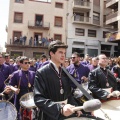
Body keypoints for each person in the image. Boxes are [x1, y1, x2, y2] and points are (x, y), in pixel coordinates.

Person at [34, 40, 82, 120]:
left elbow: (68, 94)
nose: (63, 55)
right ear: (51, 53)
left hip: (66, 114)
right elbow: (38, 99)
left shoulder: (65, 71)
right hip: (49, 115)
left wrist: (75, 107)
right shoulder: (41, 72)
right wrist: (60, 108)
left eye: (64, 53)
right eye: (60, 52)